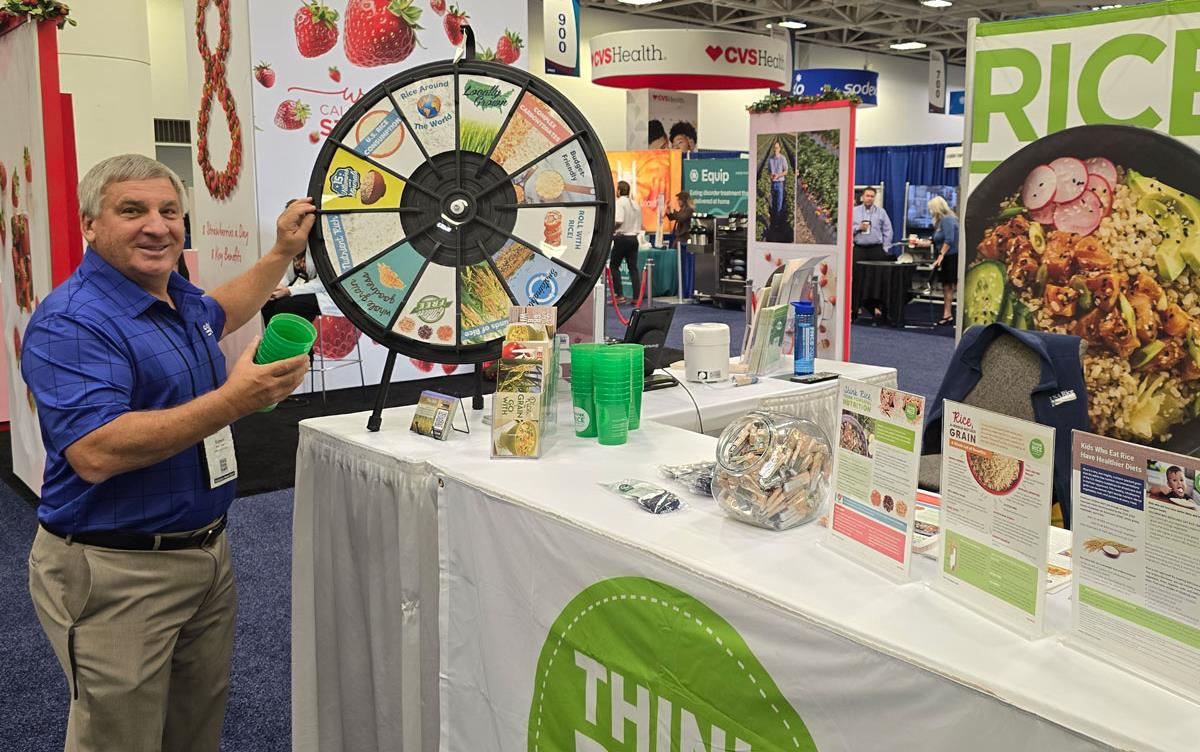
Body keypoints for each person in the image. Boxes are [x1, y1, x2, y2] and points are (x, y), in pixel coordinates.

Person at [21, 153, 313, 752]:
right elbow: (96, 452)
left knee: (193, 729)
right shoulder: (73, 322)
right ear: (90, 224)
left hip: (205, 553)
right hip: (116, 571)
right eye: (132, 211)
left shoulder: (175, 297)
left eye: (169, 211)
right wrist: (235, 400)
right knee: (120, 739)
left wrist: (282, 251)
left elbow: (222, 309)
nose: (157, 226)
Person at [851, 187, 893, 321]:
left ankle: (878, 309)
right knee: (857, 279)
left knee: (878, 280)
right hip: (859, 249)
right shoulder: (854, 212)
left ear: (874, 198)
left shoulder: (881, 213)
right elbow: (846, 229)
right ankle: (854, 308)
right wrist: (858, 228)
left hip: (876, 249)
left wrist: (885, 248)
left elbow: (888, 231)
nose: (869, 198)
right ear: (862, 197)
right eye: (867, 196)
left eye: (872, 196)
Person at [928, 195, 959, 326]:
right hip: (947, 257)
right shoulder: (942, 221)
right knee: (947, 286)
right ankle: (947, 314)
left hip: (951, 257)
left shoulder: (947, 220)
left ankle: (948, 313)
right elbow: (939, 238)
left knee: (949, 286)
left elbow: (949, 240)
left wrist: (940, 256)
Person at [610, 180, 642, 304]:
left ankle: (620, 296)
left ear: (618, 190)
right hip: (634, 238)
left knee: (614, 266)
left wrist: (610, 230)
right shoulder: (635, 204)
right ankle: (636, 298)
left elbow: (619, 220)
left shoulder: (620, 203)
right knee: (633, 269)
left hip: (622, 238)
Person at [666, 190, 695, 299]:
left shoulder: (689, 210)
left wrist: (674, 213)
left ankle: (682, 288)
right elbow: (673, 217)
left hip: (683, 238)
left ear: (683, 200)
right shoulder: (683, 210)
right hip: (678, 238)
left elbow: (681, 218)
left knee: (679, 261)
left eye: (679, 200)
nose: (678, 202)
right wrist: (669, 212)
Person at [766, 140, 788, 222]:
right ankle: (774, 219)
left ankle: (777, 222)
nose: (775, 149)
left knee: (779, 203)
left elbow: (786, 171)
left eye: (777, 148)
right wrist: (770, 175)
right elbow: (768, 171)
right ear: (773, 149)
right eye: (774, 148)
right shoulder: (770, 159)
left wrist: (778, 175)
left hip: (780, 183)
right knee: (774, 202)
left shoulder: (783, 158)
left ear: (780, 149)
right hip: (773, 183)